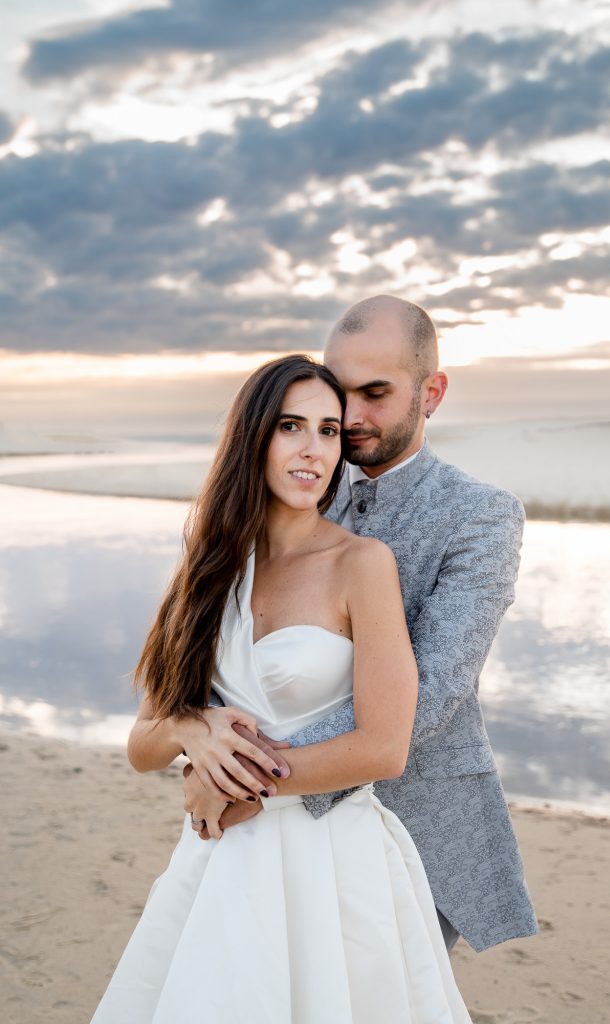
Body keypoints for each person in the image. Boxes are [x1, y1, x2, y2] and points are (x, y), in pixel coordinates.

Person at [91, 354, 473, 1023]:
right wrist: (190, 730)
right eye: (291, 426)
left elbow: (384, 748)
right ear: (253, 438)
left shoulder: (360, 563)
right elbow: (142, 745)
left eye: (330, 431)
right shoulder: (206, 569)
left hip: (331, 863)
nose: (313, 450)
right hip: (220, 865)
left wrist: (235, 780)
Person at [184, 295, 538, 954]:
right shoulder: (294, 489)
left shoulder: (481, 515)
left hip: (419, 818)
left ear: (430, 393)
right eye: (336, 392)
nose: (347, 418)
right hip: (261, 828)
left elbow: (430, 692)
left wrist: (246, 778)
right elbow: (226, 653)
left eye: (374, 393)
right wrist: (199, 730)